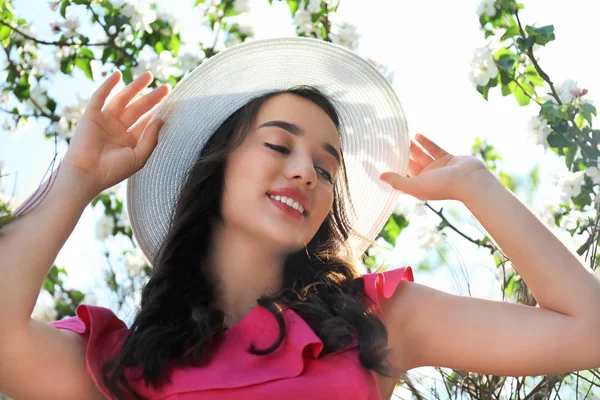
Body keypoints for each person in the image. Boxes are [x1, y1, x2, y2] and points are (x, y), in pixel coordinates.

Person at [0, 37, 599, 400]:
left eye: (326, 165)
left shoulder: (377, 321)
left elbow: (589, 330)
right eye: (278, 145)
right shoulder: (123, 366)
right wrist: (77, 177)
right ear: (219, 165)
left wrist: (476, 185)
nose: (307, 172)